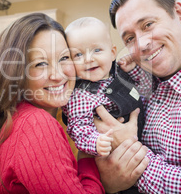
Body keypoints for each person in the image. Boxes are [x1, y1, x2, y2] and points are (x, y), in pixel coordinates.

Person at [0, 13, 147, 193]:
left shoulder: (17, 113)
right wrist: (100, 174)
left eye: (64, 58)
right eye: (40, 64)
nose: (58, 75)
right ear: (16, 72)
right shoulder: (36, 125)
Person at [94, 0, 181, 193]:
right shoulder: (139, 78)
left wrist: (128, 152)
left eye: (148, 24)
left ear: (180, 13)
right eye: (130, 38)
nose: (141, 44)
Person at [62, 17, 145, 157]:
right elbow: (78, 128)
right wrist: (95, 142)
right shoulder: (80, 95)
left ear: (112, 53)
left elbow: (143, 86)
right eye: (78, 54)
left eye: (97, 50)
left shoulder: (120, 72)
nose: (88, 59)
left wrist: (132, 69)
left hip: (145, 140)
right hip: (113, 153)